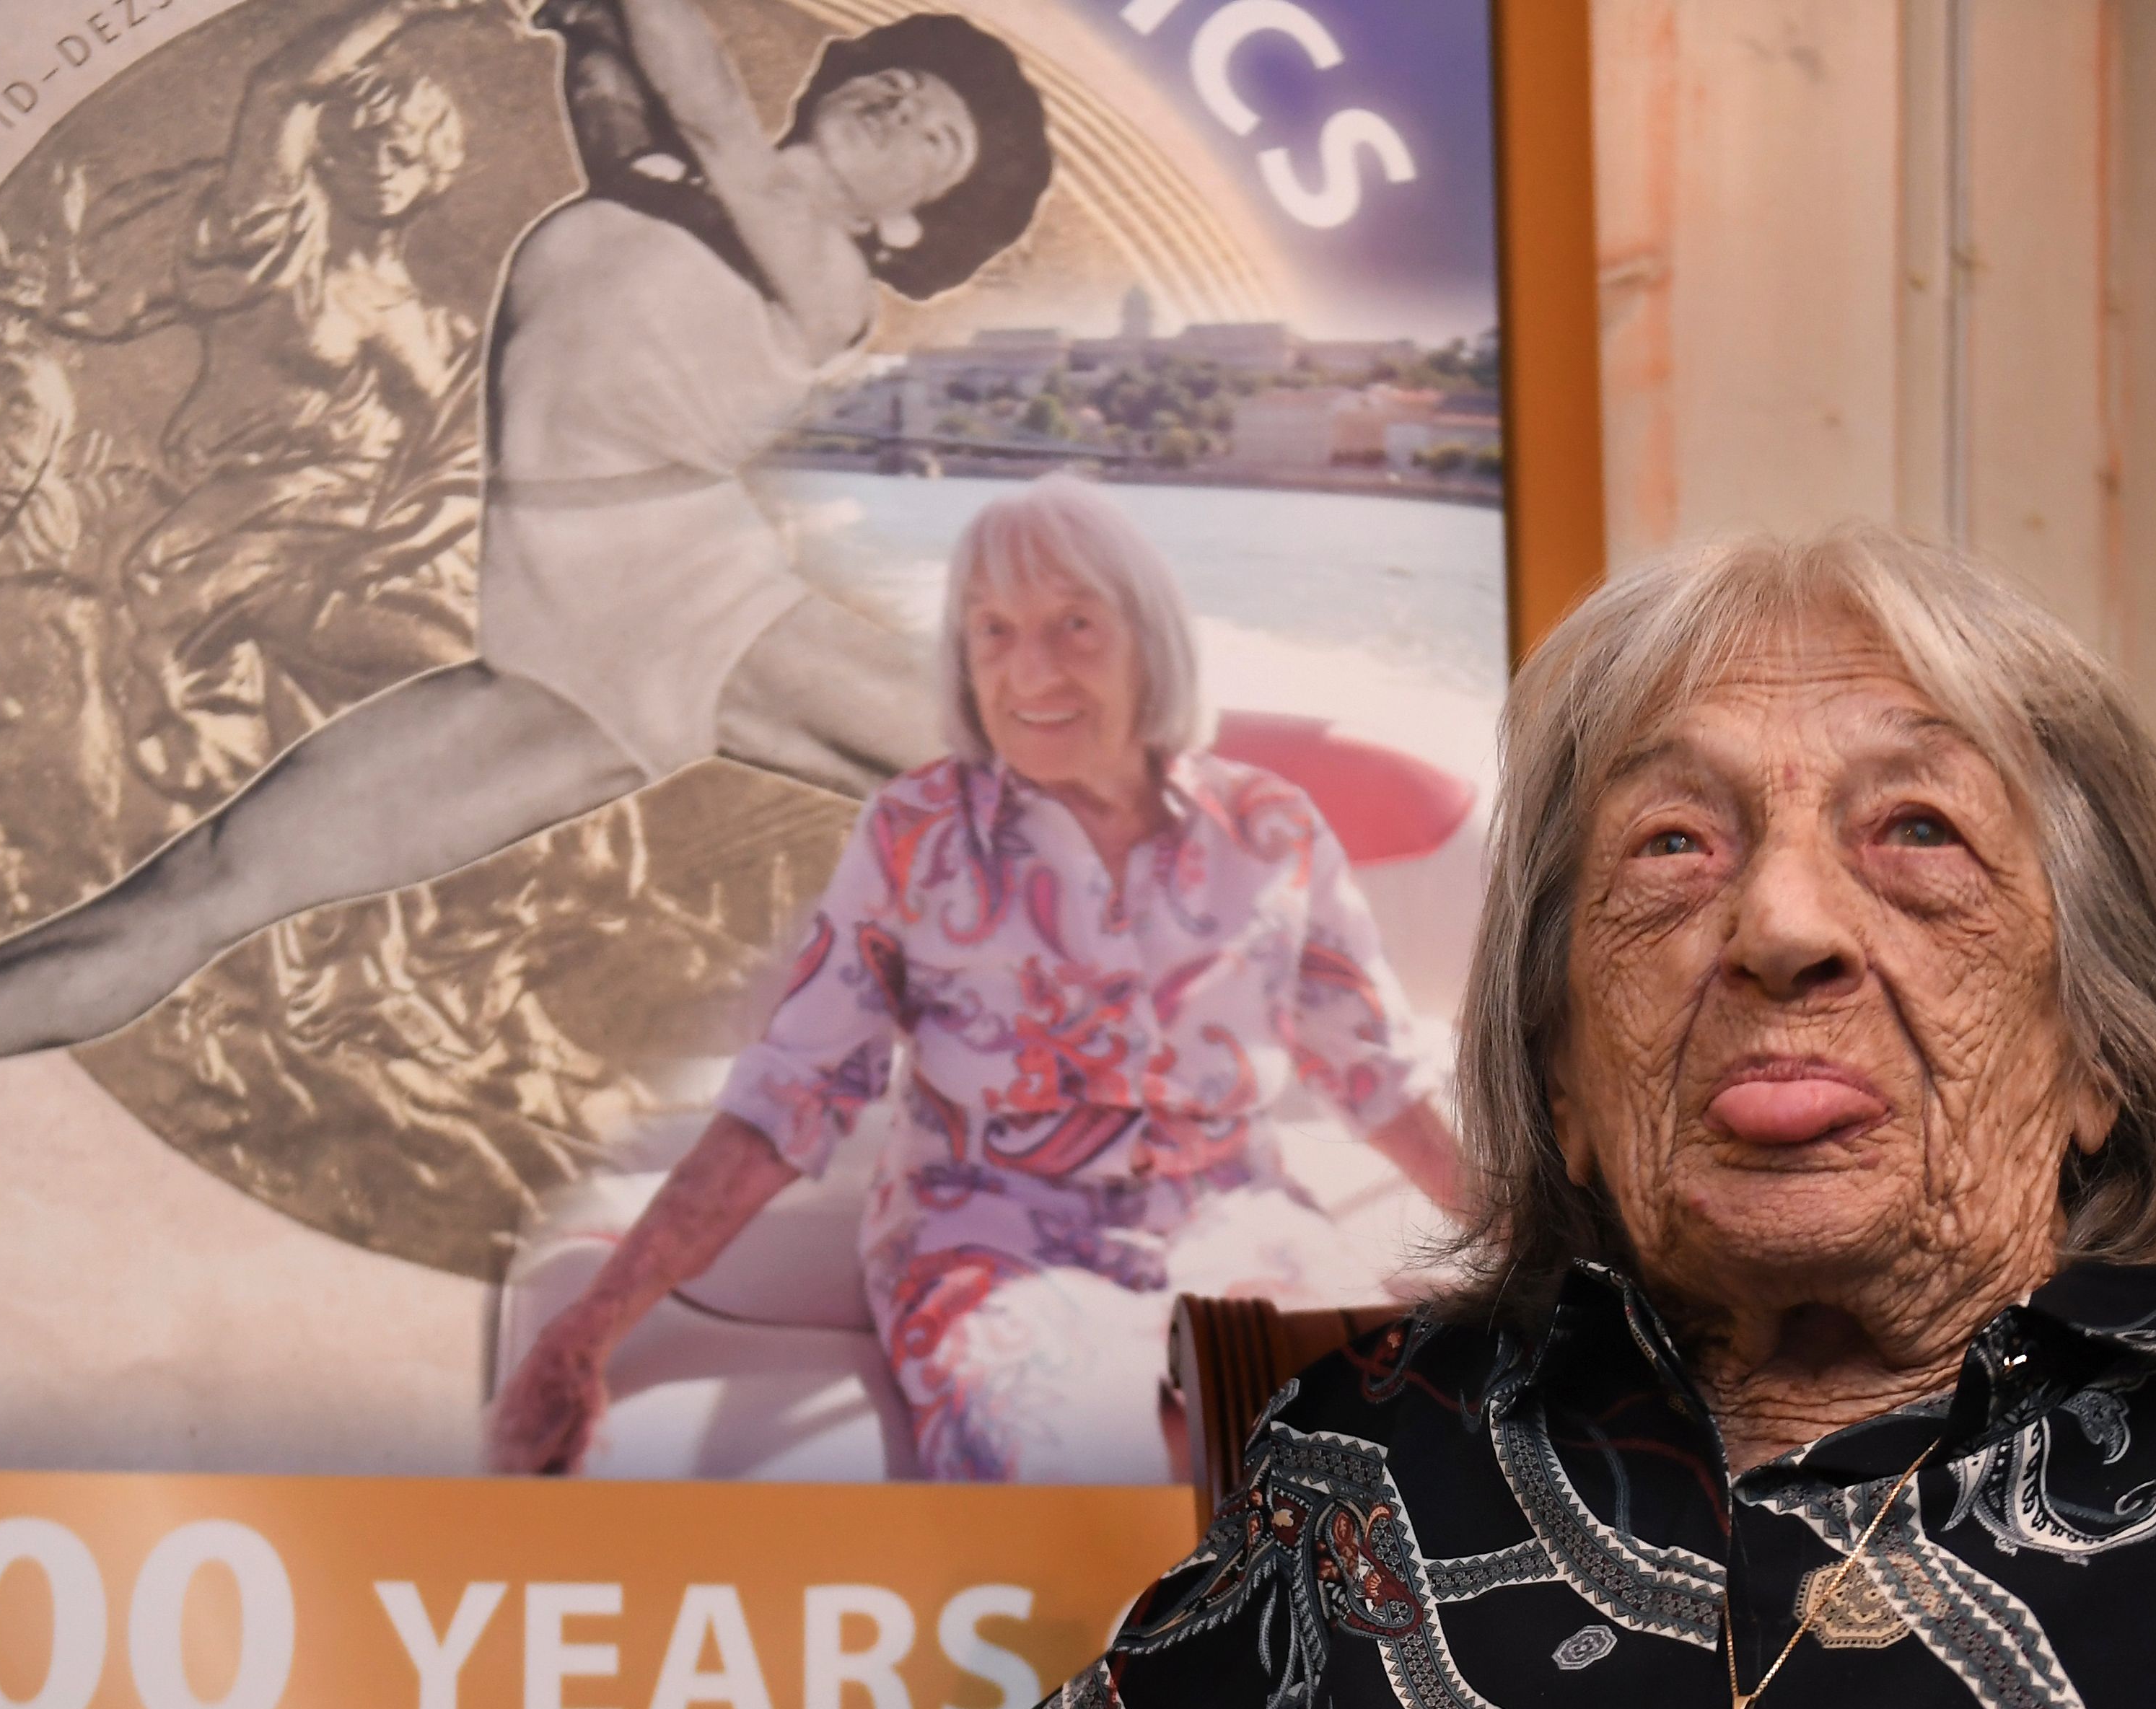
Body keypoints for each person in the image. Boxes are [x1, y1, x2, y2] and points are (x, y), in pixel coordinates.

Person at [412, 525, 2156, 1709]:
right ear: (1566, 1077)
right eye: (1670, 844)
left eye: (1915, 832)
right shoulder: (1381, 1460)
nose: (1780, 925)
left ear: (2097, 1047)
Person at [0, 0, 1053, 1161]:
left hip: (696, 601)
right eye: (902, 78)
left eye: (936, 137)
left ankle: (1107, 1058)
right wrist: (582, 30)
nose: (907, 105)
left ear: (905, 229)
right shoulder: (661, 187)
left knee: (1050, 774)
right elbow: (633, 106)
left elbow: (706, 101)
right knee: (213, 882)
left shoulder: (822, 278)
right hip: (559, 653)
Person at [486, 474, 1468, 1482]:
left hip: (1234, 1220)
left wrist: (1541, 1265)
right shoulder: (915, 835)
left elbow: (1374, 1074)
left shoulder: (1269, 828)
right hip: (987, 1236)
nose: (1028, 670)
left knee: (1399, 1467)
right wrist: (589, 1328)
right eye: (992, 630)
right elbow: (793, 1093)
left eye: (1073, 624)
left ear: (1151, 640)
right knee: (1075, 1476)